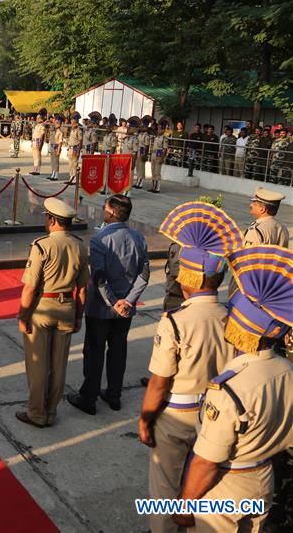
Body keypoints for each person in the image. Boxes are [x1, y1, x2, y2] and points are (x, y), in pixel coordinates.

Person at [173, 245, 293, 531]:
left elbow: (206, 463)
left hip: (226, 485)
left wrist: (186, 505)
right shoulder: (286, 371)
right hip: (264, 478)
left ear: (242, 327)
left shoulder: (229, 388)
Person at [138, 202, 242, 533]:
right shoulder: (233, 318)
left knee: (165, 487)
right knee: (201, 489)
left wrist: (145, 419)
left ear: (190, 276)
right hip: (214, 415)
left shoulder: (175, 322)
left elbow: (158, 383)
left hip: (176, 416)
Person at [68, 194, 148, 414]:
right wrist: (128, 301)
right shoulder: (139, 239)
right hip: (126, 310)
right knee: (118, 350)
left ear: (112, 211)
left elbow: (99, 276)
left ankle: (89, 397)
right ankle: (114, 395)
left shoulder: (100, 239)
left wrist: (113, 302)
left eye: (104, 208)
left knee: (94, 351)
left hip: (102, 307)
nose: (103, 210)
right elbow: (144, 275)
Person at [15, 198, 89, 428]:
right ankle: (51, 411)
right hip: (67, 308)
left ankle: (37, 413)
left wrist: (22, 316)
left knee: (38, 365)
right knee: (59, 365)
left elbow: (30, 287)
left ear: (53, 220)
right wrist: (78, 316)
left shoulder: (41, 245)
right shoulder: (79, 245)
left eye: (47, 217)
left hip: (42, 309)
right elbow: (83, 289)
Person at [149, 121, 167, 193]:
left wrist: (162, 158)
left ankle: (157, 188)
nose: (158, 130)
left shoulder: (164, 138)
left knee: (157, 172)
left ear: (163, 130)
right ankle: (153, 186)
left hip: (159, 155)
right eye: (158, 129)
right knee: (153, 171)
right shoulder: (156, 137)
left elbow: (165, 149)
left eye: (159, 129)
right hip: (153, 154)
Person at [48, 115, 64, 180]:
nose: (56, 124)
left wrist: (58, 150)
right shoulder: (54, 131)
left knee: (56, 161)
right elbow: (50, 139)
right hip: (52, 146)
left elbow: (60, 142)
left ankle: (56, 175)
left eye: (57, 123)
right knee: (52, 161)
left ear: (60, 124)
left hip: (57, 147)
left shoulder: (60, 132)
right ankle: (53, 174)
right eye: (55, 123)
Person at [66, 115, 82, 183]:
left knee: (74, 164)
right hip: (70, 149)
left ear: (76, 123)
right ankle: (71, 177)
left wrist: (78, 151)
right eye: (71, 123)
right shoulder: (72, 130)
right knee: (70, 164)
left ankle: (75, 179)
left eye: (73, 123)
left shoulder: (79, 131)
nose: (71, 124)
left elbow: (80, 141)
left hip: (75, 149)